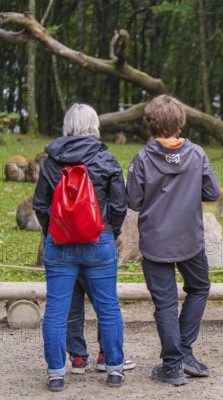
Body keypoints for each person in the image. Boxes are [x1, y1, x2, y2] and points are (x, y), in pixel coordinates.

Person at [127, 95, 221, 385]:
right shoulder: (197, 154)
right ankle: (182, 354)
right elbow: (213, 192)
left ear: (150, 124)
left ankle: (174, 363)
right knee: (199, 287)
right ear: (180, 122)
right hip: (190, 239)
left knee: (166, 303)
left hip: (156, 241)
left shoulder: (141, 159)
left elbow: (134, 200)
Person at [33, 103, 127, 392]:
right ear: (94, 125)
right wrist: (109, 231)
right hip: (99, 242)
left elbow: (40, 205)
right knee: (108, 307)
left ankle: (56, 373)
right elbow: (121, 205)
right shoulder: (106, 159)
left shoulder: (50, 161)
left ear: (67, 125)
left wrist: (55, 232)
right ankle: (113, 369)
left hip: (59, 246)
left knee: (56, 310)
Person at [66, 272, 137, 373]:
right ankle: (105, 357)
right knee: (106, 308)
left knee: (72, 310)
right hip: (95, 260)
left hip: (64, 259)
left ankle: (78, 359)